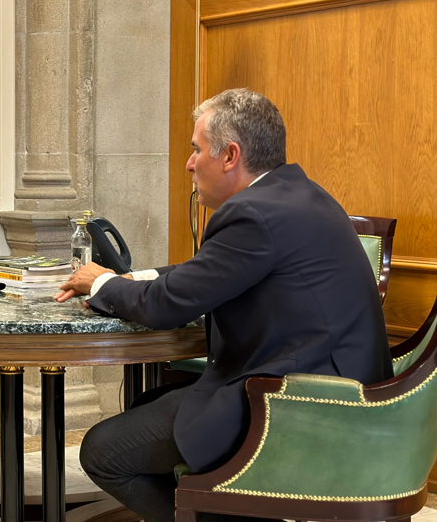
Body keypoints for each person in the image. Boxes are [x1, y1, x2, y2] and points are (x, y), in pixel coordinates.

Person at [55, 89, 393, 522]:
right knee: (151, 408)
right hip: (342, 393)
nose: (189, 163)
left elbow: (166, 307)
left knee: (103, 450)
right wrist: (130, 278)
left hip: (299, 407)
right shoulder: (296, 195)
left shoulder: (253, 214)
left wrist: (98, 282)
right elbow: (204, 271)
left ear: (230, 155)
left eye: (196, 150)